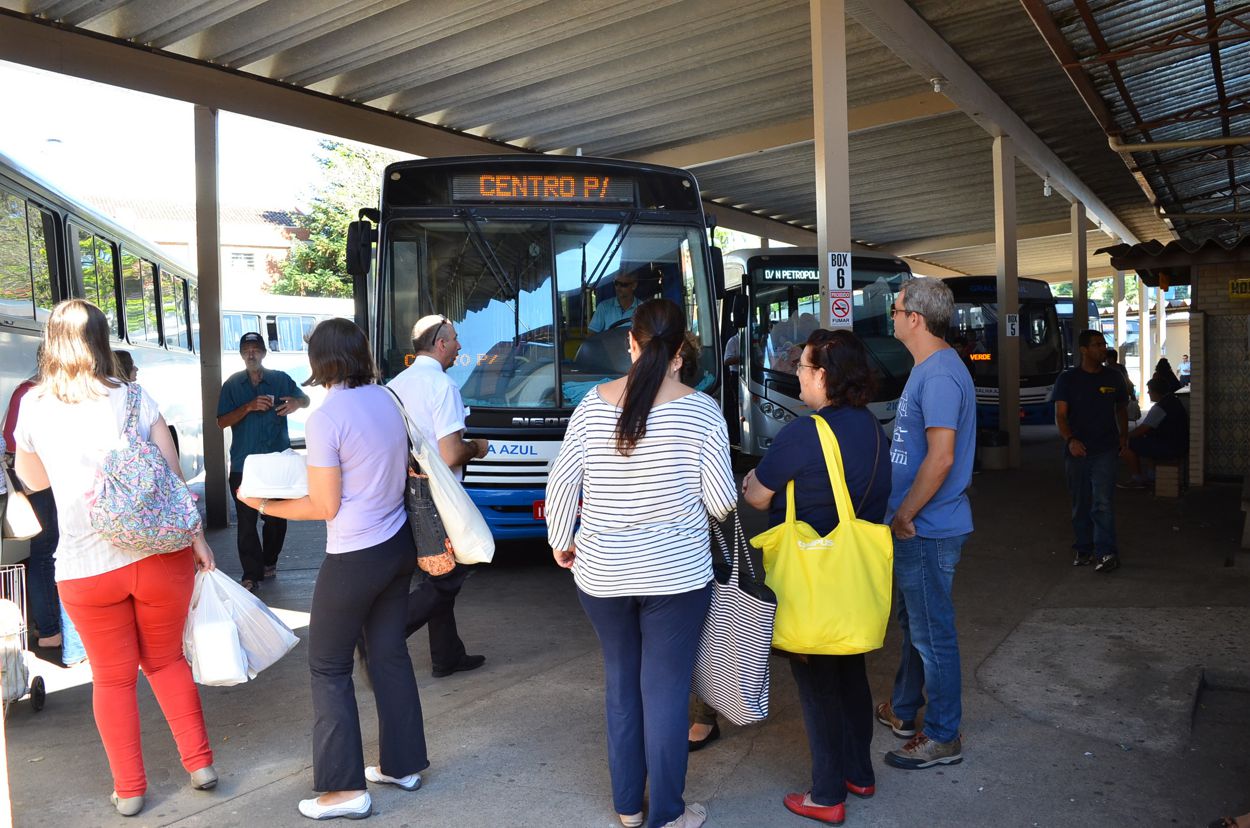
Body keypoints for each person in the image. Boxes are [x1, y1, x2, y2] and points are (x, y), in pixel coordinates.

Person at [14, 299, 217, 818]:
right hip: (158, 555)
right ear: (104, 341)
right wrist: (196, 539)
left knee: (111, 678)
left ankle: (130, 791)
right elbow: (172, 480)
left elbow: (35, 484)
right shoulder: (133, 396)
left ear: (50, 344)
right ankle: (200, 765)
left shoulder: (34, 406)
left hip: (85, 565)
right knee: (167, 660)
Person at [546, 298, 736, 828]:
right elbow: (720, 501)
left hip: (602, 574)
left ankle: (629, 808)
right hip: (677, 578)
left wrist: (562, 538)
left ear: (630, 343)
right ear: (681, 352)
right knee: (667, 691)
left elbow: (563, 481)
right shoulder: (701, 411)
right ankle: (669, 814)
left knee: (621, 685)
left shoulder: (592, 403)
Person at [239, 318, 427, 821]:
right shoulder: (389, 399)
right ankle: (402, 765)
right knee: (388, 655)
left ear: (319, 360)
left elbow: (324, 504)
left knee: (327, 667)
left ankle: (344, 790)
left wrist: (262, 504)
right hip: (396, 546)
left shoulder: (326, 417)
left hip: (354, 555)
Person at [741, 329, 891, 826]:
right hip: (854, 581)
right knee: (849, 672)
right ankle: (858, 773)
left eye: (802, 367)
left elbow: (758, 496)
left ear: (823, 376)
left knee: (816, 686)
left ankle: (826, 794)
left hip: (812, 582)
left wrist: (751, 480)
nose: (797, 375)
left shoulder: (805, 433)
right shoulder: (872, 427)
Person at [877, 277, 976, 771]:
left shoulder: (937, 375)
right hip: (924, 525)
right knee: (916, 624)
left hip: (926, 528)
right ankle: (904, 708)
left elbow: (940, 459)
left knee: (932, 633)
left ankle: (942, 736)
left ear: (915, 318)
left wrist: (904, 513)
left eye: (896, 310)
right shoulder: (929, 368)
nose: (892, 317)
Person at [386, 315, 487, 678]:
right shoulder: (442, 387)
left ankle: (447, 655)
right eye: (455, 340)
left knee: (434, 572)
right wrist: (477, 447)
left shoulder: (395, 385)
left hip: (405, 491)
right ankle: (385, 635)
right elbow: (450, 453)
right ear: (440, 344)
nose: (459, 346)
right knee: (454, 573)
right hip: (439, 496)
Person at [4, 357, 86, 665]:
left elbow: (12, 445)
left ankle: (51, 631)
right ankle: (72, 642)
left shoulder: (25, 393)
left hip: (35, 482)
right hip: (58, 483)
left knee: (41, 554)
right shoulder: (66, 396)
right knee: (65, 553)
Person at [216, 331, 309, 592]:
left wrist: (296, 404)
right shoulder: (233, 385)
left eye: (256, 348)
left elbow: (305, 399)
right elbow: (221, 421)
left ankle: (269, 560)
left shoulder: (280, 379)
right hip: (243, 466)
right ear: (241, 354)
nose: (251, 353)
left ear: (264, 352)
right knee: (246, 523)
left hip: (277, 463)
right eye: (246, 349)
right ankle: (250, 575)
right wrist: (248, 407)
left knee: (277, 519)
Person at [1054, 330, 1128, 572]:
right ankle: (1084, 549)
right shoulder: (1068, 379)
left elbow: (1121, 409)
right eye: (1097, 345)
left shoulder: (1114, 377)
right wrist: (1070, 440)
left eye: (1104, 344)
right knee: (1080, 502)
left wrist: (1124, 436)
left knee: (1102, 502)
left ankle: (1106, 553)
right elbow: (1061, 416)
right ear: (1083, 350)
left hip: (1105, 449)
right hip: (1077, 451)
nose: (1102, 348)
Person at [1120, 377, 1188, 489]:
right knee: (1147, 438)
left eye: (1149, 390)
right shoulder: (1174, 401)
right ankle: (1151, 476)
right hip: (1179, 444)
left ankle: (1137, 479)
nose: (1148, 393)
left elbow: (1142, 429)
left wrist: (1124, 437)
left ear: (1156, 392)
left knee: (1127, 445)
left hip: (1170, 447)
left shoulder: (1160, 407)